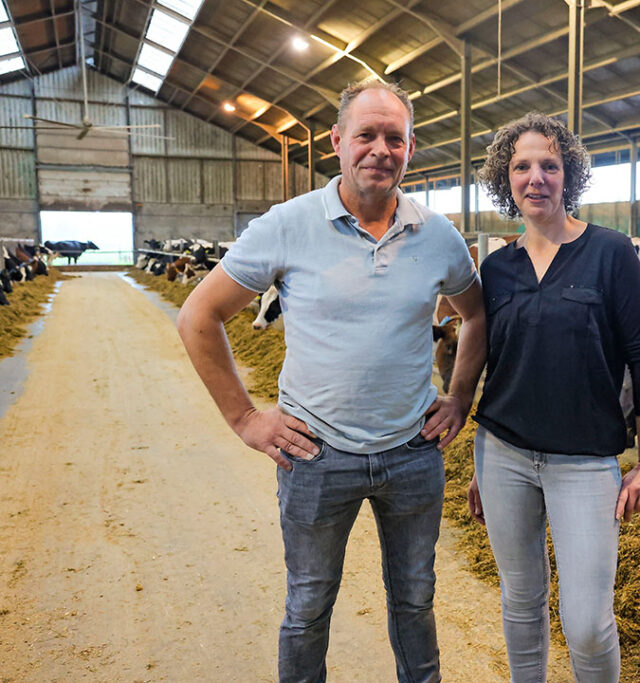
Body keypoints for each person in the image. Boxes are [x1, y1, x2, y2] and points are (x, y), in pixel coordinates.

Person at [176, 80, 486, 683]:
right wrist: (244, 417)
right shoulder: (286, 225)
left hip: (412, 453)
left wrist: (460, 398)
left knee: (415, 601)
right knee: (309, 605)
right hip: (315, 455)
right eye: (365, 135)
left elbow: (474, 315)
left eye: (393, 138)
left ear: (410, 148)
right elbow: (197, 316)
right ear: (338, 143)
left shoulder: (439, 236)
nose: (380, 149)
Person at [467, 112, 640, 681]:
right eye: (521, 166)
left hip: (583, 463)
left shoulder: (610, 253)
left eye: (549, 165)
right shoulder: (498, 268)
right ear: (505, 180)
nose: (536, 177)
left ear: (568, 175)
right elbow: (496, 363)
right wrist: (482, 462)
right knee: (521, 602)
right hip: (502, 454)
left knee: (586, 622)